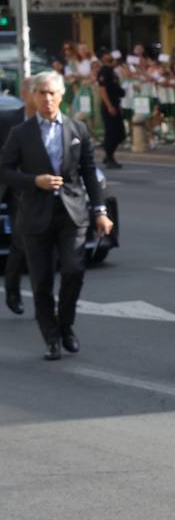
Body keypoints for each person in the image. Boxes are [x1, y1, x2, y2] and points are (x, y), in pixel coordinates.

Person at [0, 71, 114, 359]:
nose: (47, 98)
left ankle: (66, 326)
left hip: (72, 214)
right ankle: (51, 338)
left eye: (52, 93)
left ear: (62, 96)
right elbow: (5, 171)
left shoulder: (77, 130)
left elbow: (89, 171)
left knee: (74, 271)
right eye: (42, 93)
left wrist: (100, 211)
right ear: (32, 96)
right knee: (41, 281)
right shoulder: (20, 133)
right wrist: (33, 181)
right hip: (35, 215)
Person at [1, 88, 28, 314]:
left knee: (45, 245)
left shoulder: (59, 122)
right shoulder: (7, 119)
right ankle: (12, 289)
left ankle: (44, 301)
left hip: (48, 190)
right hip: (15, 188)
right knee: (22, 240)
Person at [96, 52, 126, 168]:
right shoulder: (104, 71)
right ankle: (109, 157)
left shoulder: (112, 71)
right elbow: (102, 90)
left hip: (115, 103)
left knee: (120, 134)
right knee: (112, 133)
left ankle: (109, 155)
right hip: (109, 106)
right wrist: (109, 106)